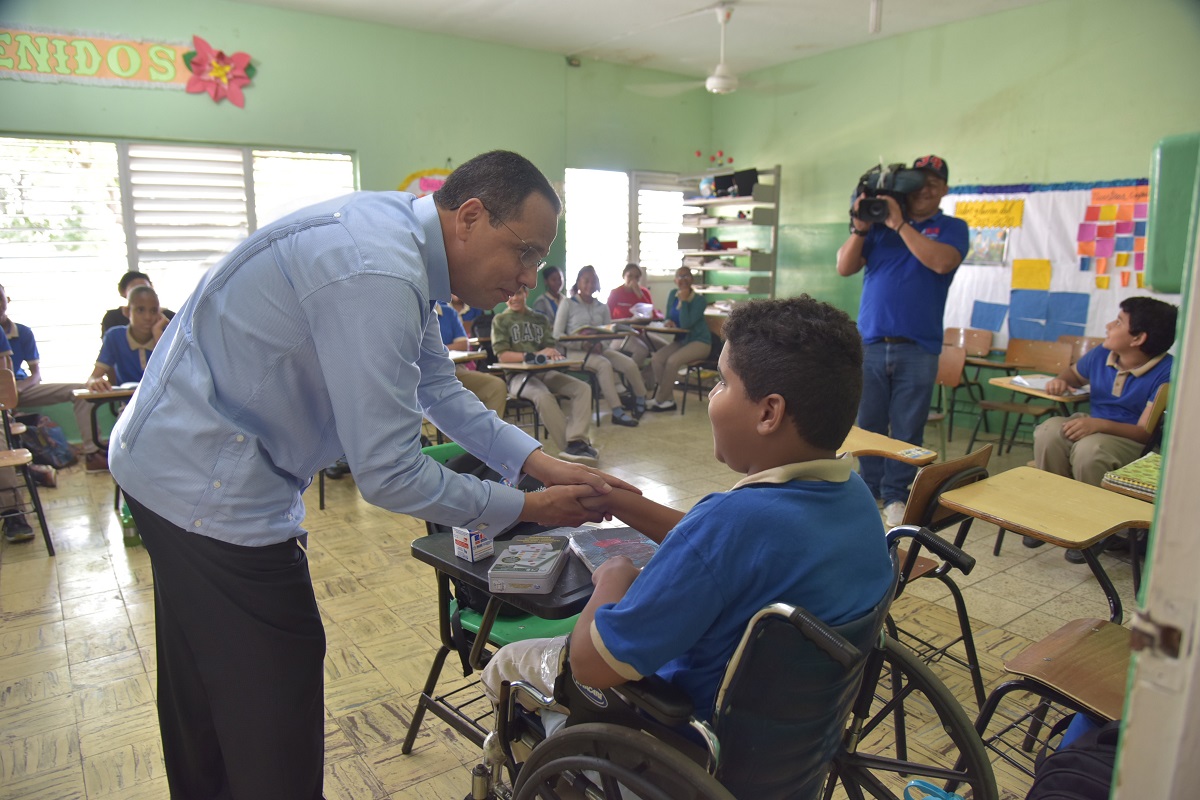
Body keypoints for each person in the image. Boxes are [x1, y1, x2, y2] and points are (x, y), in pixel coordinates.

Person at [107, 150, 637, 800]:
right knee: (272, 684)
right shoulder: (378, 268)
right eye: (523, 253)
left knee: (206, 677)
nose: (528, 278)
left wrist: (540, 463)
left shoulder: (400, 239)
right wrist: (533, 507)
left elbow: (438, 388)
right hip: (204, 485)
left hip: (175, 458)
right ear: (469, 216)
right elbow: (388, 474)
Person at [482, 295, 894, 730]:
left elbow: (592, 665)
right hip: (783, 742)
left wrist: (614, 576)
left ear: (769, 413)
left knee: (508, 662)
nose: (713, 394)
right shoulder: (856, 498)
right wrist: (616, 500)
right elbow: (707, 545)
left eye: (722, 382)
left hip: (680, 743)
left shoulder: (731, 523)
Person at [836, 154, 968, 528]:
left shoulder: (952, 227)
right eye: (918, 182)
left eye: (934, 184)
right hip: (873, 343)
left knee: (908, 429)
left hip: (918, 347)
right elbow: (845, 266)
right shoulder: (878, 230)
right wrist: (862, 228)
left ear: (944, 190)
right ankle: (869, 490)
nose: (925, 189)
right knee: (869, 425)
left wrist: (901, 223)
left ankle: (897, 495)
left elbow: (941, 263)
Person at [1032, 297, 1176, 562]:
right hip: (1093, 426)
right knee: (1049, 431)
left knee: (1090, 450)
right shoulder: (1103, 353)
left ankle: (1096, 529)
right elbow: (1073, 375)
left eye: (1119, 322)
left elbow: (1144, 431)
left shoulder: (1167, 371)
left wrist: (1099, 424)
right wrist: (1060, 381)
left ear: (1138, 338)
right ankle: (1051, 512)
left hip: (1131, 438)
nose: (1109, 325)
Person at [0, 283, 108, 473]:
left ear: (7, 301)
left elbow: (36, 374)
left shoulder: (22, 332)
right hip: (3, 395)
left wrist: (19, 389)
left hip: (23, 388)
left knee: (81, 391)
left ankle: (93, 453)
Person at [492, 285, 600, 465]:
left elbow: (551, 348)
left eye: (518, 293)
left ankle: (576, 440)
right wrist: (534, 356)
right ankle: (569, 448)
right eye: (510, 295)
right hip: (517, 377)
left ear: (526, 293)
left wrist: (552, 354)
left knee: (582, 388)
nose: (514, 298)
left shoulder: (539, 319)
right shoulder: (501, 320)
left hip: (545, 372)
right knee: (543, 396)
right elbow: (503, 355)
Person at [553, 265, 647, 424]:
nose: (590, 285)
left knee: (629, 363)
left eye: (594, 281)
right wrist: (581, 345)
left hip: (599, 349)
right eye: (586, 280)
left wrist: (601, 345)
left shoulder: (602, 307)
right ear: (578, 282)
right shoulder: (568, 303)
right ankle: (617, 411)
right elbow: (557, 335)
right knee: (604, 365)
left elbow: (609, 333)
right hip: (575, 352)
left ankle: (640, 399)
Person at [647, 266, 711, 412]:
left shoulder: (699, 300)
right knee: (657, 358)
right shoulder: (672, 295)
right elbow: (668, 315)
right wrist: (667, 322)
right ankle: (668, 399)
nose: (683, 279)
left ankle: (660, 399)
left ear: (692, 279)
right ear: (675, 280)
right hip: (682, 340)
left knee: (672, 361)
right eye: (680, 276)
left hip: (700, 342)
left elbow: (687, 323)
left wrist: (685, 301)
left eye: (687, 276)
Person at [86, 285, 169, 390]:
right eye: (140, 310)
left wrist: (158, 336)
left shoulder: (165, 334)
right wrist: (95, 381)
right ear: (127, 312)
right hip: (129, 404)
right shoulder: (115, 336)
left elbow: (178, 376)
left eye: (153, 311)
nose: (148, 317)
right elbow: (93, 377)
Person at [436, 298, 508, 417]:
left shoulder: (448, 312)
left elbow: (463, 345)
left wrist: (437, 349)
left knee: (496, 386)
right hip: (424, 375)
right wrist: (446, 348)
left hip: (454, 370)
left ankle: (485, 434)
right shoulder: (411, 315)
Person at [606, 262, 665, 370]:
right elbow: (607, 318)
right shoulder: (615, 293)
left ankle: (647, 377)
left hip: (640, 332)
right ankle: (629, 377)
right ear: (624, 276)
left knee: (664, 349)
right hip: (620, 334)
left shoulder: (644, 293)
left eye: (636, 277)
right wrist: (627, 320)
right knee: (642, 350)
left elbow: (653, 314)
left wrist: (639, 295)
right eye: (630, 276)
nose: (633, 280)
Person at [100, 270, 175, 337]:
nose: (147, 317)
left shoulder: (167, 317)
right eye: (135, 289)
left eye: (146, 288)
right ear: (123, 292)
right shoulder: (113, 318)